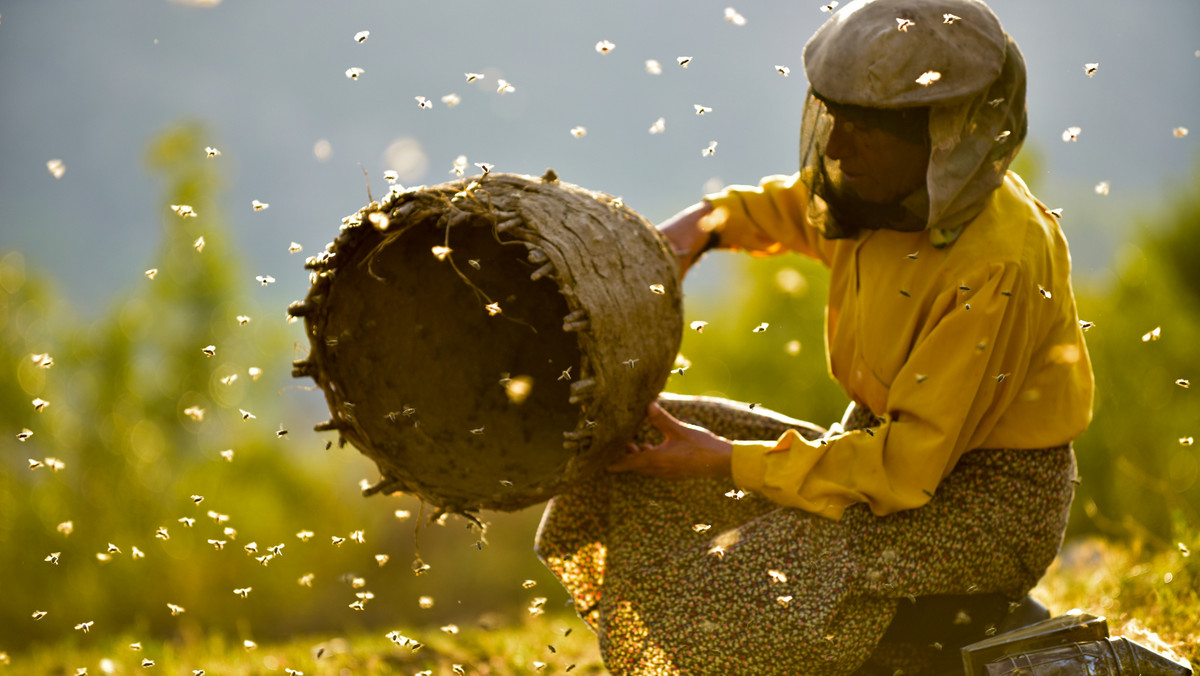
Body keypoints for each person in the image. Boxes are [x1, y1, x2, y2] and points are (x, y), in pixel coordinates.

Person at [536, 0, 1094, 673]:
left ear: (940, 133)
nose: (834, 147)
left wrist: (723, 460)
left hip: (983, 509)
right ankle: (931, 638)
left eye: (862, 128)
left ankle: (981, 645)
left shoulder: (995, 263)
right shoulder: (882, 194)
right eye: (835, 118)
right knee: (644, 451)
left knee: (735, 584)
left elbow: (902, 469)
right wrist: (703, 227)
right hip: (885, 461)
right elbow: (794, 209)